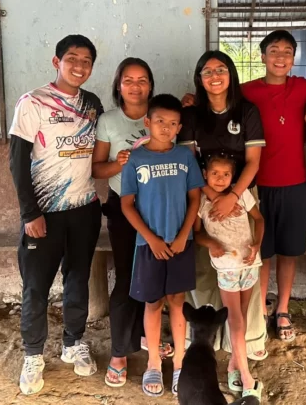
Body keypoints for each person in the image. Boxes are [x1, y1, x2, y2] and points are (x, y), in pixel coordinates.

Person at [8, 34, 104, 396]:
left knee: (78, 279)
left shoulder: (92, 104)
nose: (79, 66)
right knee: (36, 286)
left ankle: (73, 342)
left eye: (86, 61)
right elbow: (17, 162)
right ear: (57, 62)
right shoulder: (33, 102)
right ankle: (33, 355)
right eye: (72, 59)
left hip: (84, 210)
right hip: (43, 214)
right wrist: (29, 213)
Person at [179, 51, 269, 361]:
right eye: (207, 71)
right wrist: (213, 196)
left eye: (221, 69)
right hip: (202, 194)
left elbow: (253, 161)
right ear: (199, 78)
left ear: (231, 74)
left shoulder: (247, 111)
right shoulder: (191, 115)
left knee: (244, 262)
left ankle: (247, 338)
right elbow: (189, 162)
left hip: (241, 195)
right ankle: (204, 335)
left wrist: (232, 195)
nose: (214, 76)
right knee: (206, 264)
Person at [92, 58, 173, 388]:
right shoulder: (109, 121)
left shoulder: (161, 116)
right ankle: (119, 352)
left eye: (142, 80)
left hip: (160, 208)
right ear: (118, 85)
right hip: (124, 209)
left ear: (150, 85)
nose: (135, 86)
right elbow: (97, 169)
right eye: (128, 80)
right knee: (127, 276)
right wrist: (118, 164)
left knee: (154, 276)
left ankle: (145, 337)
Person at [120, 94, 205, 398]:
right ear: (147, 122)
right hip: (148, 244)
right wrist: (152, 239)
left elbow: (195, 198)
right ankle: (154, 362)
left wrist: (183, 235)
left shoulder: (185, 157)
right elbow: (127, 204)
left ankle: (180, 362)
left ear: (180, 127)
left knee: (177, 301)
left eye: (172, 123)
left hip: (181, 242)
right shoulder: (136, 160)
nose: (166, 128)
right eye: (159, 121)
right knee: (153, 302)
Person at [240, 30, 306, 342]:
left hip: (295, 184)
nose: (280, 57)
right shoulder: (246, 91)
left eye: (287, 51)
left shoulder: (304, 88)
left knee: (289, 252)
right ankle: (260, 309)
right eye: (274, 50)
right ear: (262, 57)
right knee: (262, 252)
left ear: (294, 58)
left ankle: (283, 309)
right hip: (258, 186)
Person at [194, 153, 265, 399]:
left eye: (226, 174)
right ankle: (246, 377)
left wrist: (257, 244)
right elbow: (197, 234)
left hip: (249, 262)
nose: (220, 178)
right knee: (235, 317)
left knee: (241, 316)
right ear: (205, 174)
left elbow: (259, 219)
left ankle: (234, 364)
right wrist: (211, 243)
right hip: (226, 268)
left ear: (233, 177)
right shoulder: (201, 201)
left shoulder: (242, 194)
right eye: (214, 173)